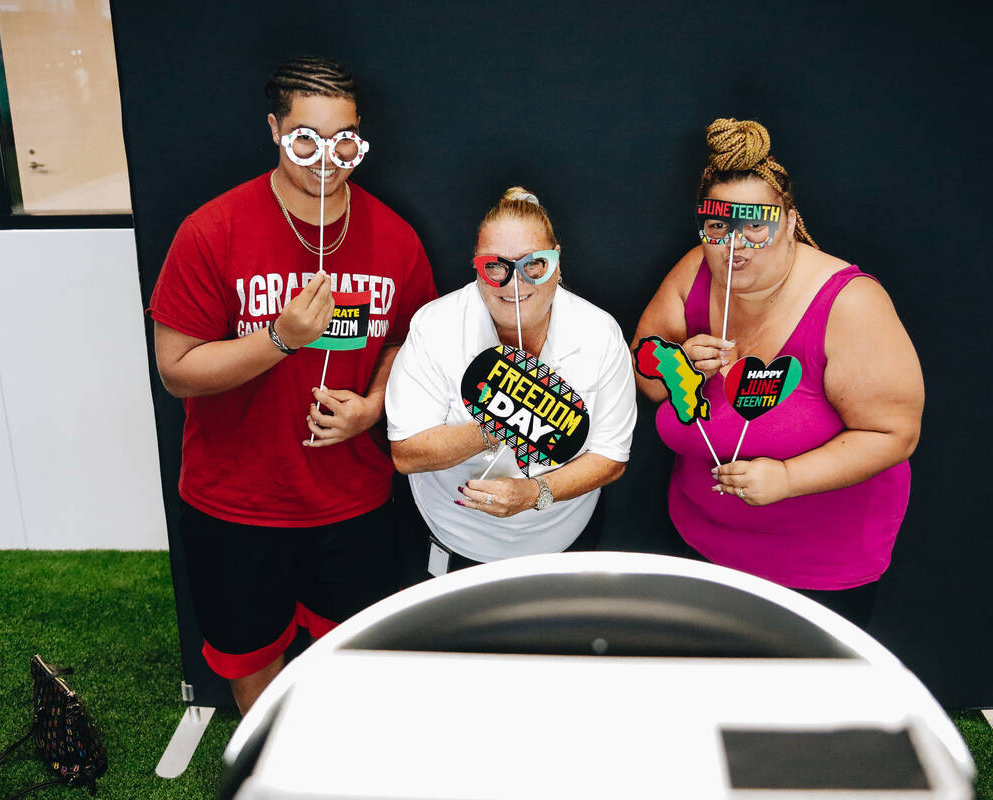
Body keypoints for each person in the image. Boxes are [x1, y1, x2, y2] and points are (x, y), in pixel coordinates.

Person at [148, 56, 437, 713]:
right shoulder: (211, 232)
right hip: (236, 503)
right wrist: (280, 339)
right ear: (275, 128)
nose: (326, 158)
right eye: (305, 138)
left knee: (354, 652)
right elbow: (176, 370)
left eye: (344, 140)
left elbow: (405, 344)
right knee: (251, 655)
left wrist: (372, 406)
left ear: (360, 134)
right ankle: (274, 768)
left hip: (353, 498)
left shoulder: (395, 238)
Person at [632, 119, 923, 628]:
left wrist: (788, 477)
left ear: (789, 221)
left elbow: (893, 434)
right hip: (699, 539)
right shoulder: (696, 270)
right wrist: (677, 361)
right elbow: (647, 371)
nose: (734, 246)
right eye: (719, 226)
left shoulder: (850, 305)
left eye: (756, 225)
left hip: (817, 567)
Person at [386, 187, 636, 575]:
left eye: (534, 264)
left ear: (557, 260)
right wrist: (502, 418)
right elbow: (406, 453)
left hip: (563, 541)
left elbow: (611, 457)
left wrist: (534, 494)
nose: (514, 283)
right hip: (454, 540)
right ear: (476, 265)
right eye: (495, 266)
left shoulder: (598, 333)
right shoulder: (436, 326)